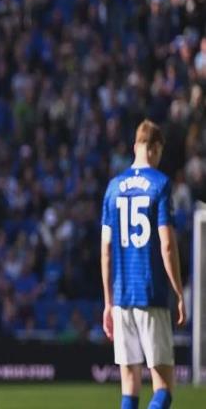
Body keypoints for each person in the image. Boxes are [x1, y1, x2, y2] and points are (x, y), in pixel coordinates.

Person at [101, 120, 186, 409]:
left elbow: (105, 250)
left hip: (122, 297)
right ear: (156, 148)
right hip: (150, 294)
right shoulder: (160, 184)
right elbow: (167, 244)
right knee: (164, 388)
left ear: (135, 146)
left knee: (130, 388)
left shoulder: (113, 188)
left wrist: (108, 302)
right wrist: (178, 292)